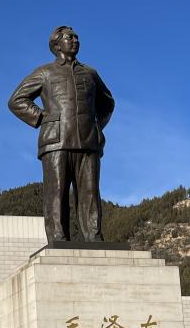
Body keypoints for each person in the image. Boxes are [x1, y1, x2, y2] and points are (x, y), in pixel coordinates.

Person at [8, 26, 114, 243]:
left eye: (77, 37)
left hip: (88, 141)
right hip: (56, 141)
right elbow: (16, 100)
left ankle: (93, 236)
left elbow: (108, 103)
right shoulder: (44, 72)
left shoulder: (90, 73)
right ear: (56, 45)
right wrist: (41, 117)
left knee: (90, 192)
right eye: (69, 37)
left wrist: (96, 125)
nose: (75, 41)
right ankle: (58, 237)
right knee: (56, 192)